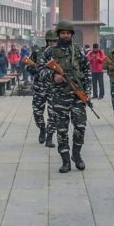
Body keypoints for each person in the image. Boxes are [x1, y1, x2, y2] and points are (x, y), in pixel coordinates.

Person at [38, 22, 90, 172]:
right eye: (63, 33)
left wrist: (88, 91)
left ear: (72, 35)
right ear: (59, 34)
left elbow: (87, 71)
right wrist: (53, 76)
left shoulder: (79, 50)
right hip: (59, 96)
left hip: (77, 95)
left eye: (68, 33)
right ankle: (65, 160)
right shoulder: (50, 51)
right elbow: (40, 70)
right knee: (62, 129)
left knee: (80, 127)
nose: (65, 35)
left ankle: (77, 155)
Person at [32, 30, 59, 144]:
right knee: (37, 112)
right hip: (40, 87)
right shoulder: (38, 52)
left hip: (54, 88)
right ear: (47, 41)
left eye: (54, 41)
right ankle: (42, 128)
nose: (52, 43)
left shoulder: (60, 53)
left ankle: (49, 136)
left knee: (53, 114)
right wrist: (35, 69)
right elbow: (29, 67)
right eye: (50, 41)